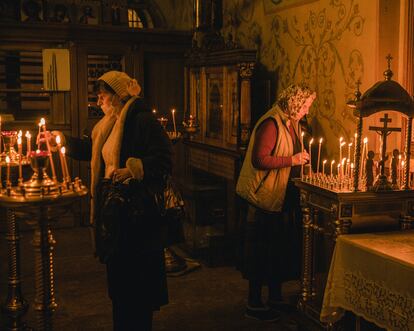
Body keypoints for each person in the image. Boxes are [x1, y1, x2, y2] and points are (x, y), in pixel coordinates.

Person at [52, 71, 172, 330]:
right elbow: (92, 151)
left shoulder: (141, 120)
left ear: (118, 95)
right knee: (120, 283)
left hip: (136, 216)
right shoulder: (109, 123)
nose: (99, 101)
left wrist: (134, 169)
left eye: (102, 95)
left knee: (136, 285)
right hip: (116, 213)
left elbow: (164, 159)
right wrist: (60, 140)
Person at [236, 84, 315, 321]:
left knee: (277, 250)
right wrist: (293, 159)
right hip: (263, 198)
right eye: (306, 105)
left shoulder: (292, 122)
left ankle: (275, 297)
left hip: (281, 196)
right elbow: (259, 160)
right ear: (295, 103)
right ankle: (254, 303)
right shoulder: (271, 123)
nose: (307, 110)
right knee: (260, 251)